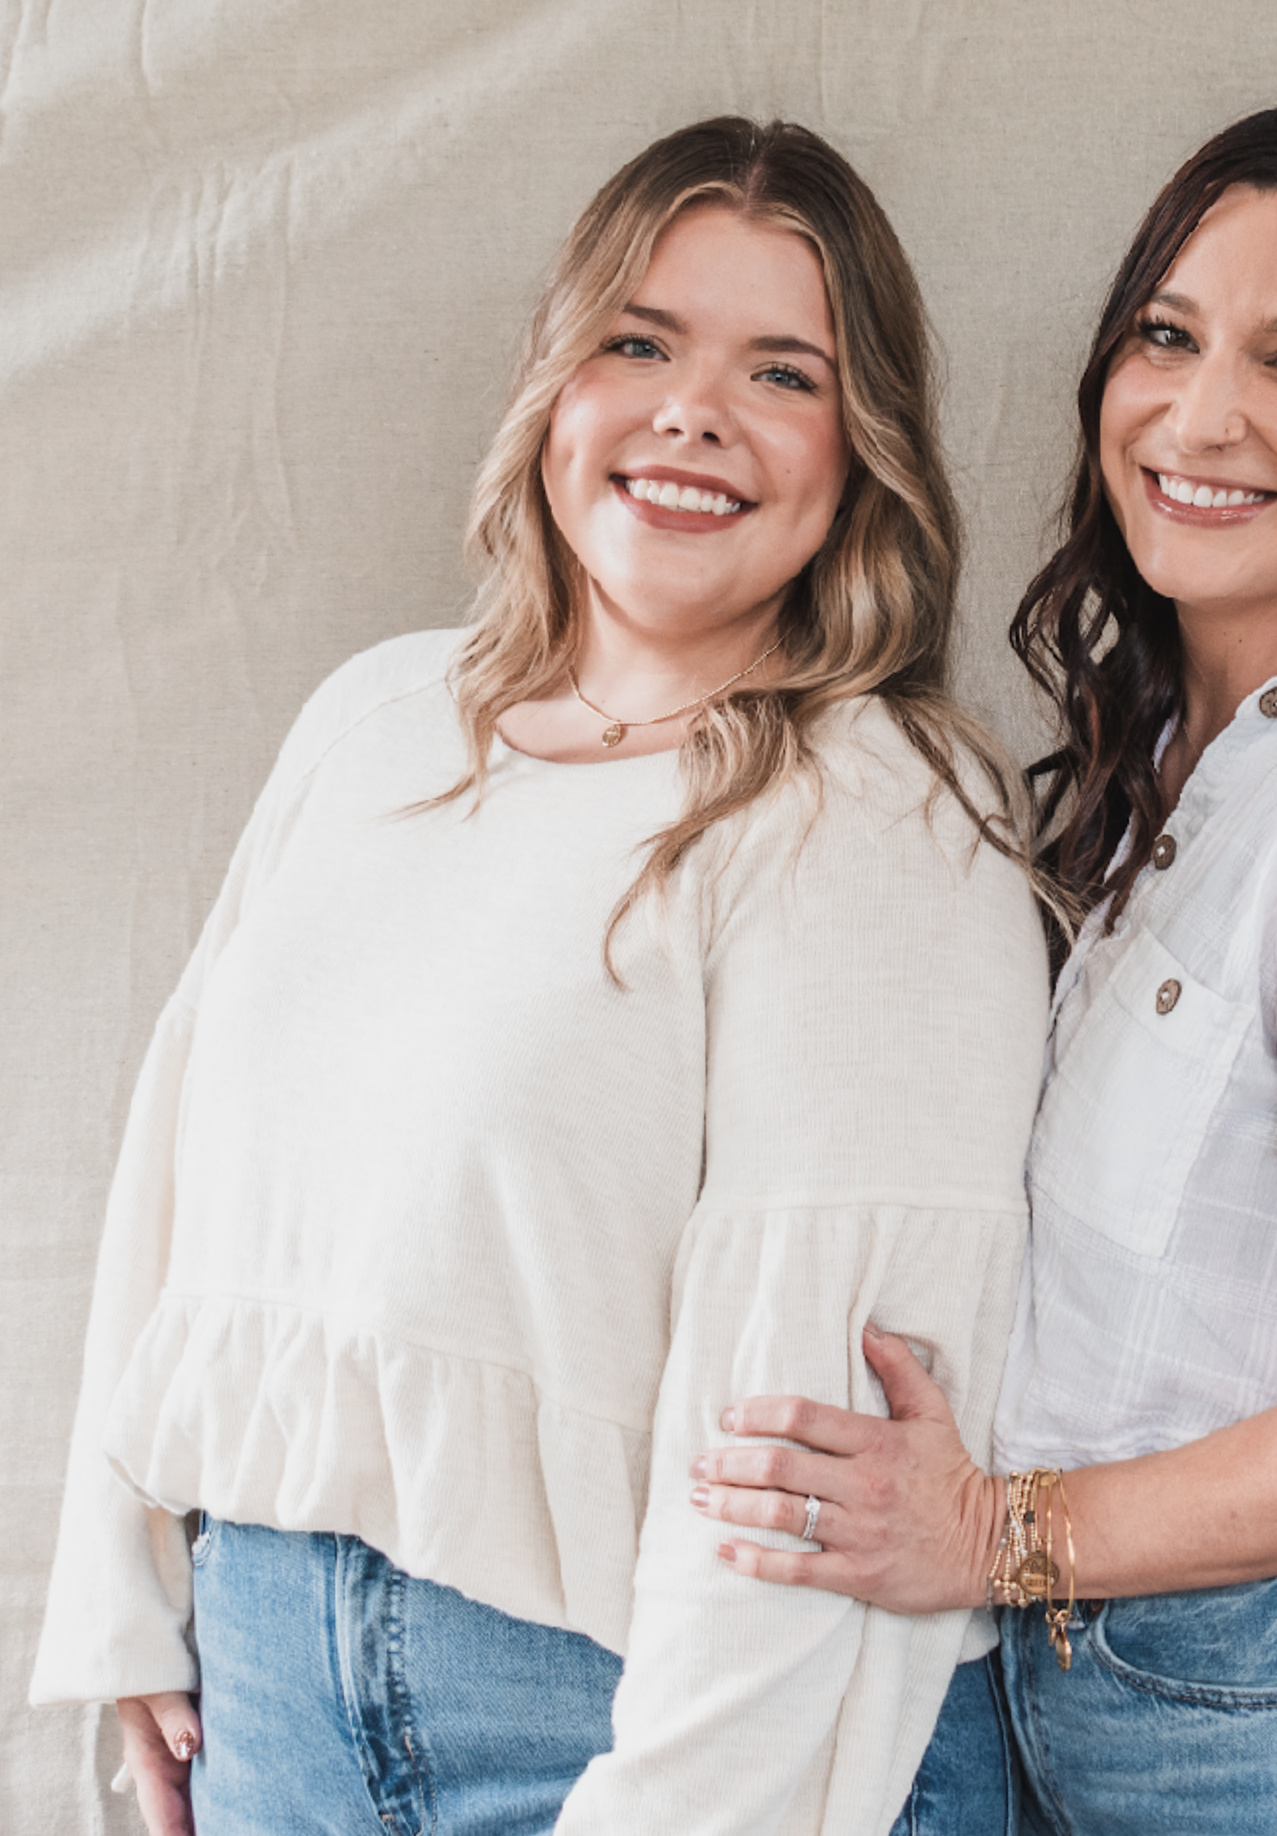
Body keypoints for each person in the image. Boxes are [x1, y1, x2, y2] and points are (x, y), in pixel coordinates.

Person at [31, 116, 1050, 1836]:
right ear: (553, 382)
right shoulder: (372, 722)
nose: (691, 412)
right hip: (268, 1688)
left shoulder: (877, 809)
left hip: (632, 1728)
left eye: (780, 373)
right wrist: (126, 1596)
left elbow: (812, 1449)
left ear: (860, 453)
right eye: (639, 343)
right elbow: (180, 1176)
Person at [692, 103, 1277, 1833]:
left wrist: (991, 1533)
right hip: (1163, 1707)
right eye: (1165, 334)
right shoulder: (1189, 781)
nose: (1199, 417)